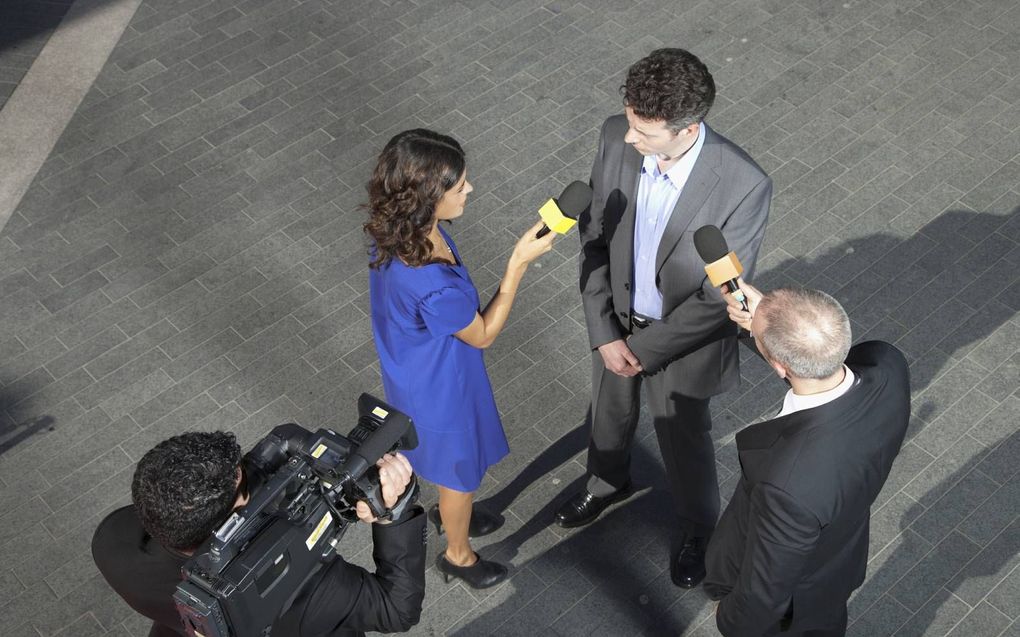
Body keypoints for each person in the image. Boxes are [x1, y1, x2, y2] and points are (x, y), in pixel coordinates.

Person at [555, 47, 771, 589]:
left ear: (688, 128)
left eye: (643, 133)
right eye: (628, 122)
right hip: (618, 322)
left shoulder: (744, 184)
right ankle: (606, 482)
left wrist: (645, 353)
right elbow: (594, 237)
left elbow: (717, 294)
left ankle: (699, 528)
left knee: (685, 441)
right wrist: (604, 332)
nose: (629, 140)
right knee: (608, 411)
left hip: (683, 342)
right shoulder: (614, 135)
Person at [365, 129, 556, 589]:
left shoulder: (397, 233)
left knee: (456, 472)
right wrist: (517, 263)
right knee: (459, 475)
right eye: (459, 186)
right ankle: (458, 554)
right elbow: (484, 334)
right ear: (428, 198)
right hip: (442, 388)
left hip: (417, 369)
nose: (469, 189)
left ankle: (455, 518)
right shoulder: (433, 283)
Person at [704, 280, 911, 636]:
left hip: (794, 611)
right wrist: (769, 320)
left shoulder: (788, 487)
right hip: (839, 561)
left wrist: (729, 620)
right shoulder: (888, 365)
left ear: (781, 367)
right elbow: (816, 372)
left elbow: (763, 592)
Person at [91, 431, 424, 637]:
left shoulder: (113, 543)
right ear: (230, 524)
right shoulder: (304, 589)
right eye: (248, 484)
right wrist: (395, 513)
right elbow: (398, 609)